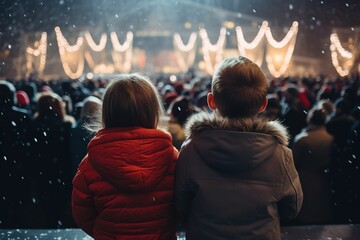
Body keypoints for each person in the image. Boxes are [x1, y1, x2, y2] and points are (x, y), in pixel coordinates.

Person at [174, 56, 303, 240]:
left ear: (211, 101)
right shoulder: (281, 155)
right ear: (263, 105)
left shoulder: (191, 149)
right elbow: (292, 208)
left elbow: (180, 205)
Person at [72, 73, 178, 239]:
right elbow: (182, 204)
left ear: (107, 112)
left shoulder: (90, 163)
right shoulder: (172, 157)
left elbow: (82, 212)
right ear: (152, 111)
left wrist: (104, 232)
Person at [292, 107, 334, 224]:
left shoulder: (303, 139)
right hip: (322, 176)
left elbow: (293, 162)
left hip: (304, 177)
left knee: (307, 207)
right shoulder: (329, 138)